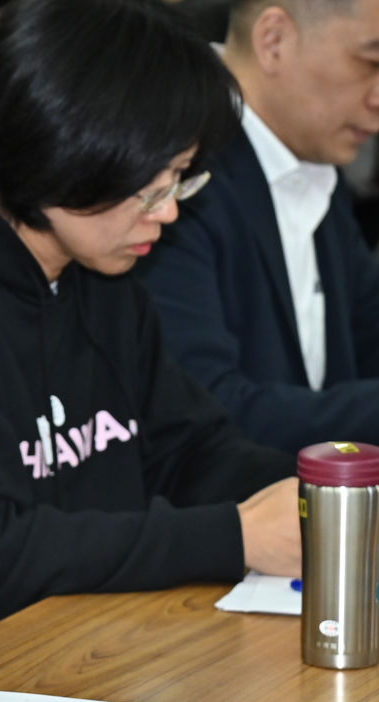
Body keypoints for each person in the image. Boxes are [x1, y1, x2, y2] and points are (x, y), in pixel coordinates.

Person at [0, 0, 300, 641]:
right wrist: (235, 536)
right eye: (152, 186)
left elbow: (187, 449)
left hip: (107, 644)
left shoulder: (102, 272)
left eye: (179, 181)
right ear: (66, 152)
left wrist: (315, 497)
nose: (167, 213)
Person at [138, 0, 379, 453]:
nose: (378, 97)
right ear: (273, 40)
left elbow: (368, 334)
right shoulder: (175, 173)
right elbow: (205, 410)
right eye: (371, 63)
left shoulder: (310, 159)